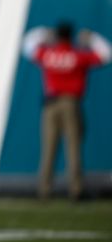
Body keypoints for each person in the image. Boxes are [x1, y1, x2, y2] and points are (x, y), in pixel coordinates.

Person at [22, 22, 111, 200]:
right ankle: (76, 190)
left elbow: (27, 45)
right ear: (71, 35)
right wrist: (92, 39)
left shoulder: (48, 54)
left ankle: (44, 190)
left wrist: (42, 33)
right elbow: (106, 55)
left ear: (57, 35)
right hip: (71, 103)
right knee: (73, 148)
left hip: (50, 105)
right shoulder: (77, 55)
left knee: (49, 149)